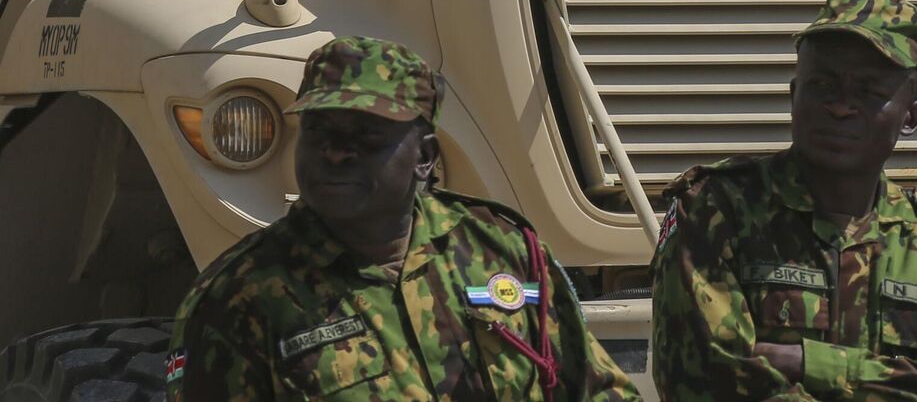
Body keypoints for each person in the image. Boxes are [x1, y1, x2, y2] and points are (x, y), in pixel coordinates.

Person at [166, 36, 638, 400]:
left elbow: (593, 388)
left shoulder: (501, 250)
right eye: (319, 131)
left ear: (425, 157)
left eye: (366, 135)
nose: (335, 152)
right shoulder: (239, 298)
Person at [649, 0, 917, 401]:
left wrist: (809, 363)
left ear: (910, 116)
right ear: (793, 96)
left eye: (869, 93)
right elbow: (707, 379)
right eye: (822, 85)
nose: (841, 107)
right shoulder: (717, 210)